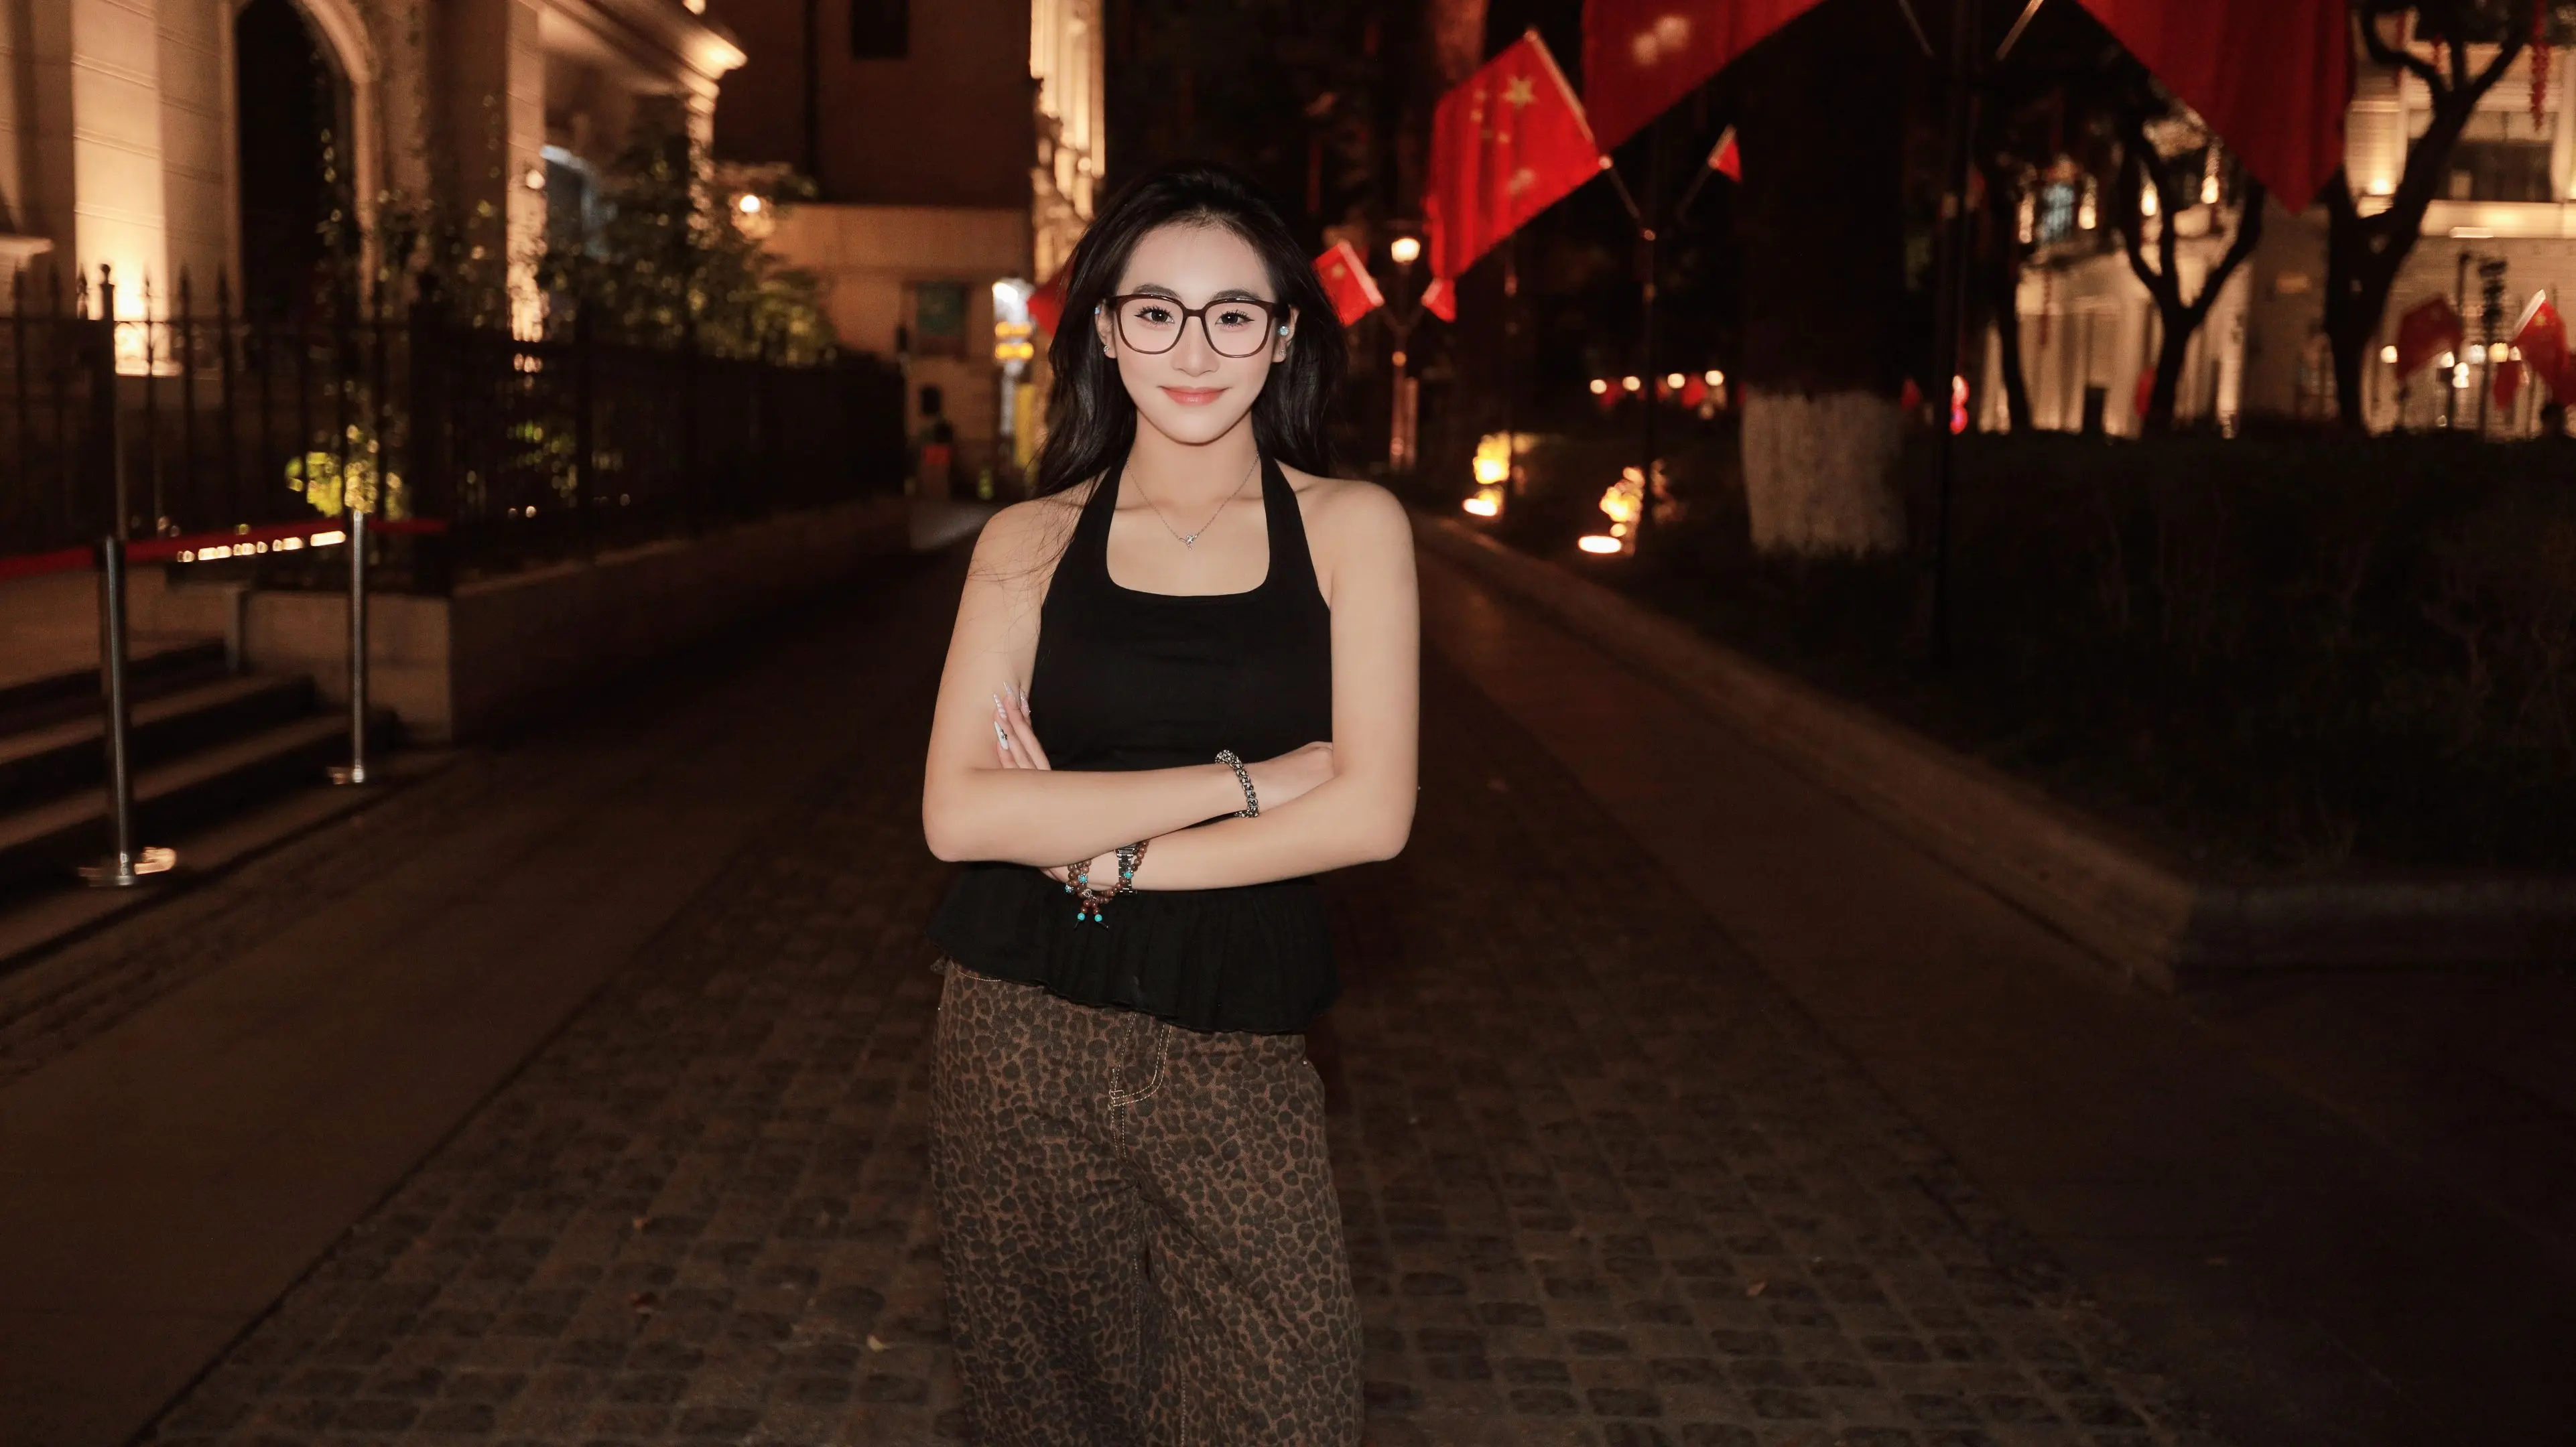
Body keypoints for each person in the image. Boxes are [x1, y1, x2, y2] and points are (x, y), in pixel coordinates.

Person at [917, 161, 1419, 1444]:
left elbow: (1372, 815)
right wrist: (1250, 783)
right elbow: (961, 817)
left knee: (1290, 1403)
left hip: (1236, 1033)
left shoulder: (1352, 528)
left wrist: (1110, 859)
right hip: (1017, 1033)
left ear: (1283, 336)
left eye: (1233, 314)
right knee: (1052, 1411)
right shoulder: (1029, 541)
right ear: (1105, 329)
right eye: (1156, 312)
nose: (1194, 351)